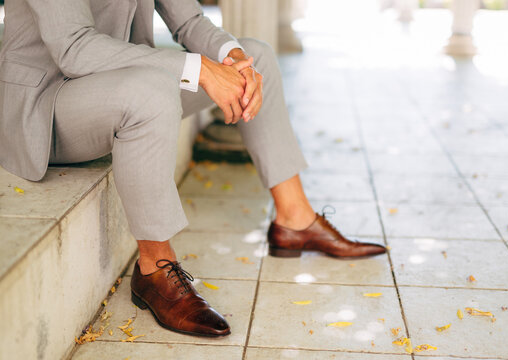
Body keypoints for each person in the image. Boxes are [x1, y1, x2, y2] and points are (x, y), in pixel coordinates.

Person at [0, 0, 387, 337]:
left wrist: (232, 59)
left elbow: (187, 22)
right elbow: (74, 46)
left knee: (256, 55)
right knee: (150, 90)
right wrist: (198, 69)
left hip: (121, 84)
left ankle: (294, 220)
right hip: (48, 103)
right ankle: (154, 269)